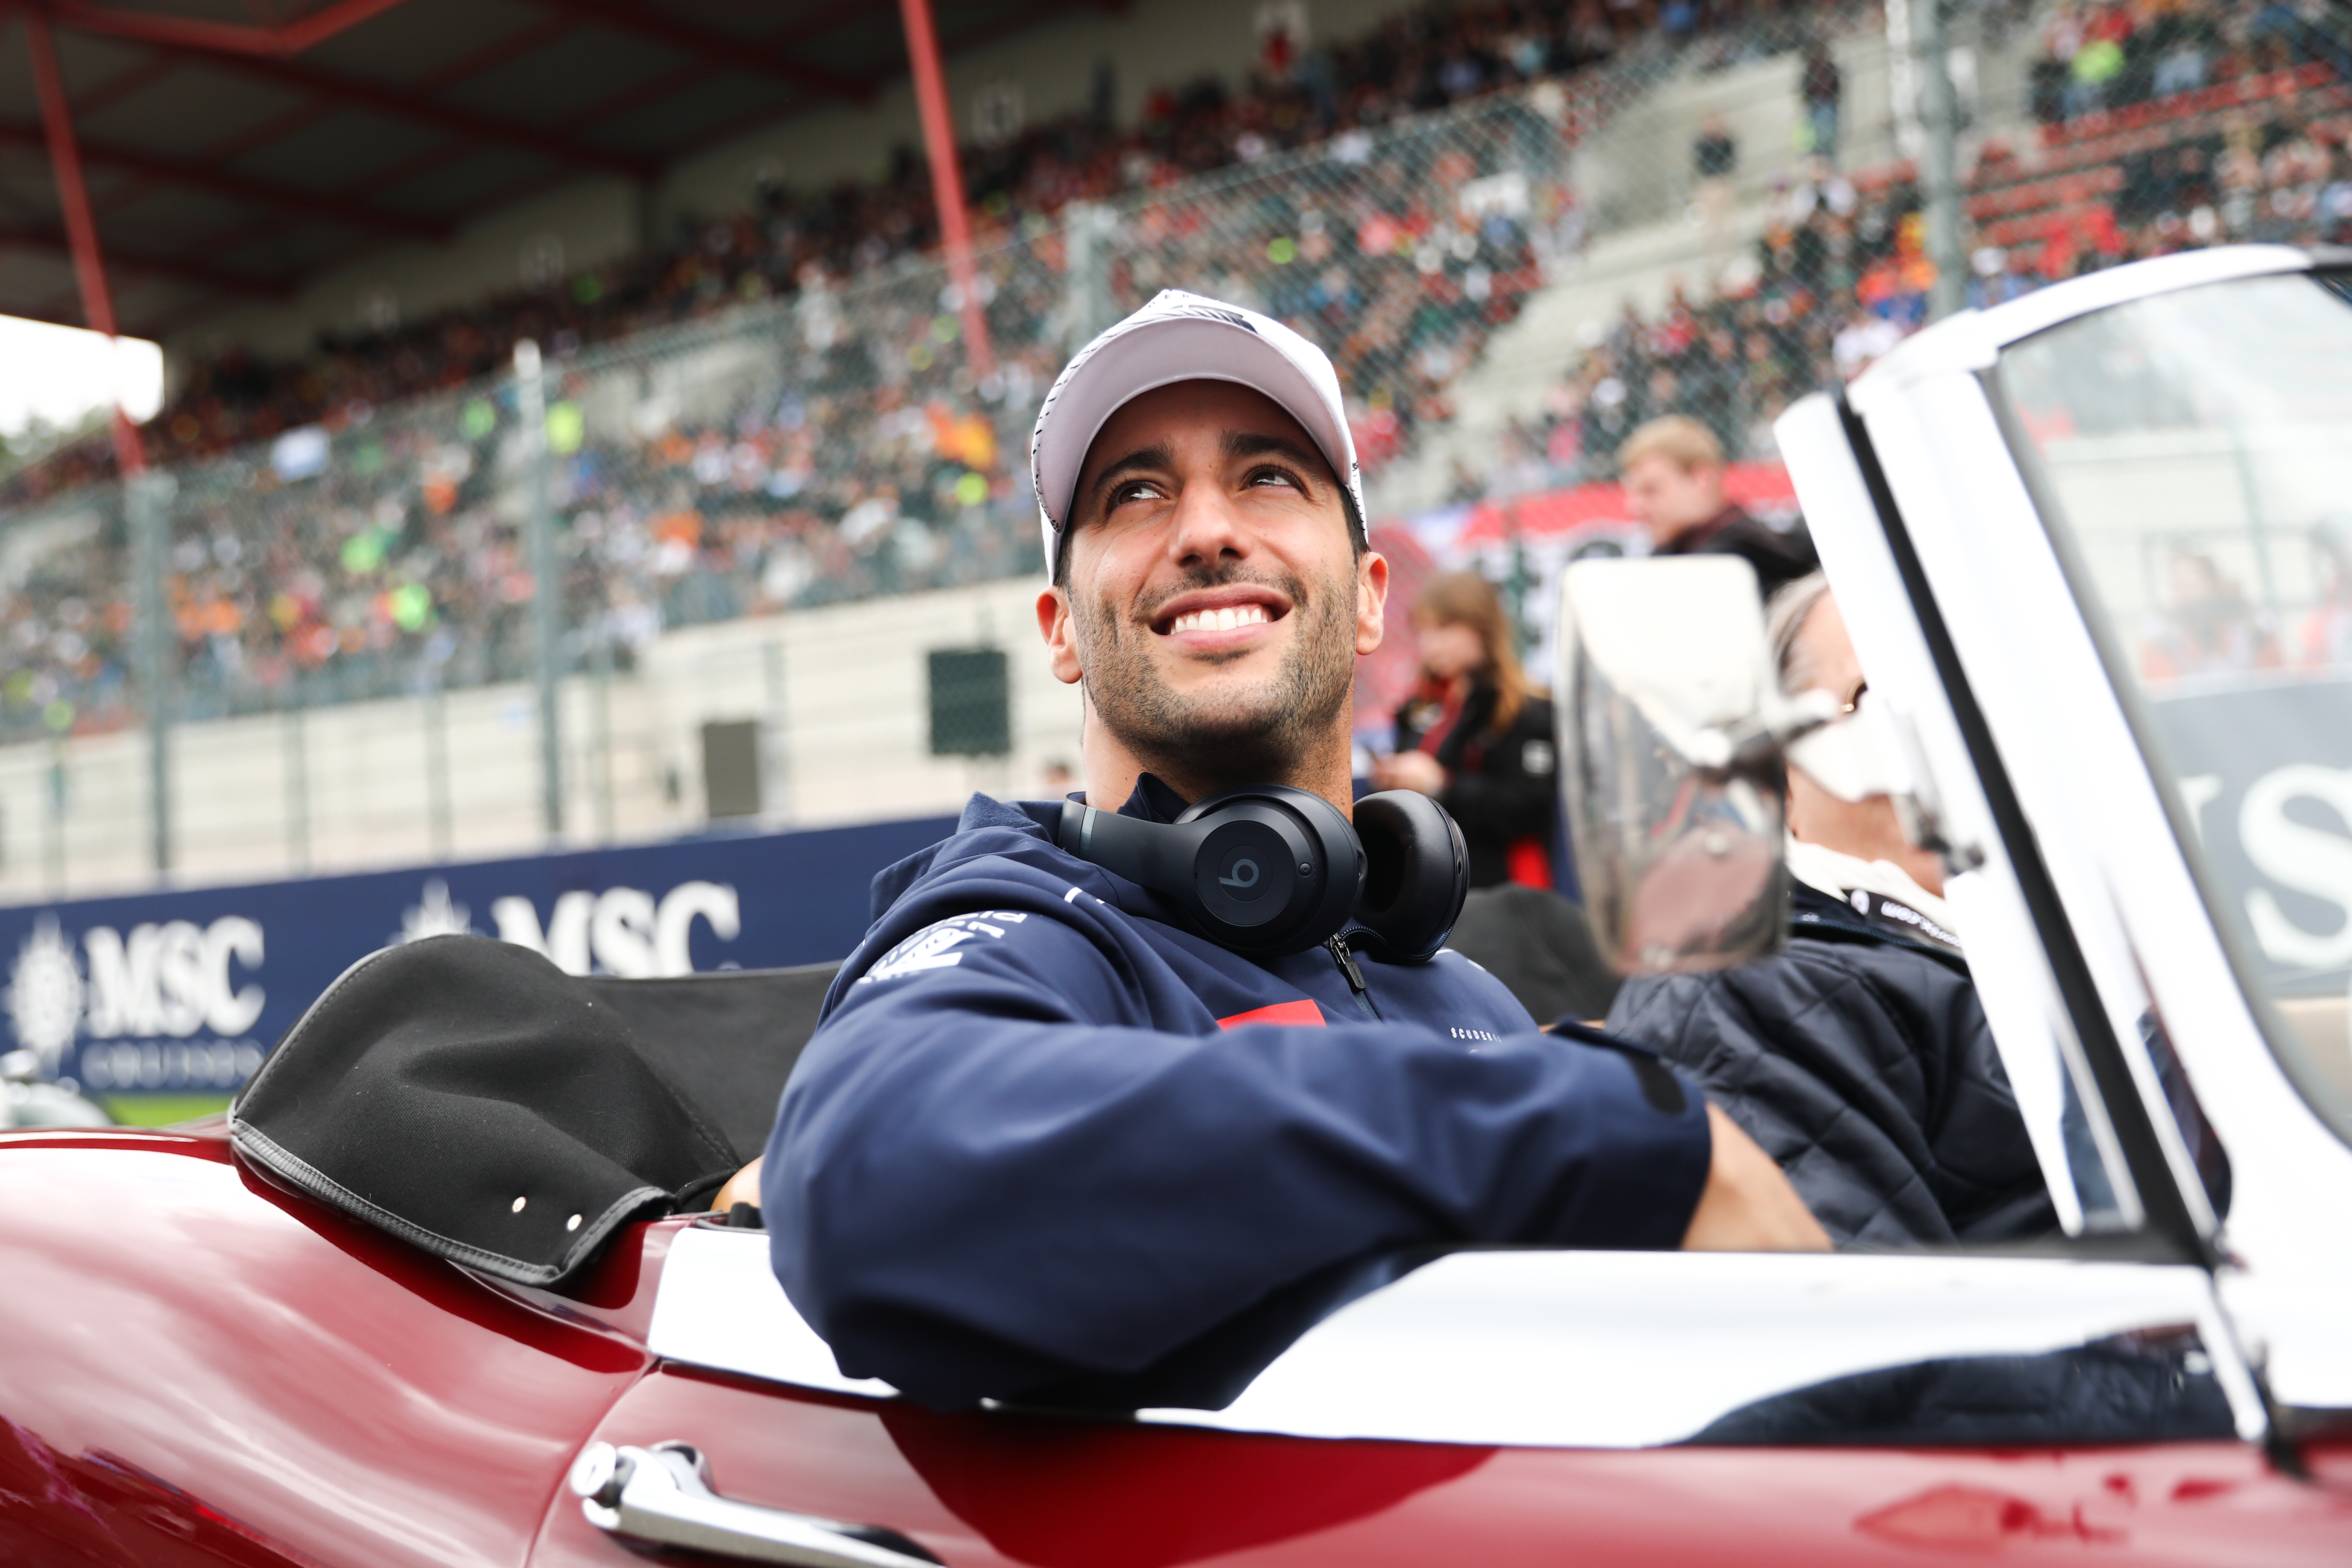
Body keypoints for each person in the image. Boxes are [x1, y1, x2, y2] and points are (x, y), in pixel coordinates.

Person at [735, 290, 1826, 1412]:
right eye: (1137, 493)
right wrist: (1588, 1125)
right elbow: (873, 1169)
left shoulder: (1467, 997)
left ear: (1367, 599)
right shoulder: (1027, 926)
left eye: (1267, 477)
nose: (1206, 530)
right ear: (1061, 629)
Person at [1605, 573, 2056, 1247]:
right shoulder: (1740, 992)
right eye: (1879, 702)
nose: (1943, 742)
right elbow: (1869, 1326)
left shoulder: (2069, 943)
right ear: (1775, 767)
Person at [1373, 572, 1556, 890]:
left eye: (1443, 630)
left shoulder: (1525, 708)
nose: (1430, 645)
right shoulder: (1421, 706)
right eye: (1423, 632)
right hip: (1431, 876)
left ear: (1482, 630)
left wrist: (1440, 784)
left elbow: (1529, 808)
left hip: (1501, 884)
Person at [1619, 414, 1819, 600]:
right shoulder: (1686, 555)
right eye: (1633, 494)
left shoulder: (1730, 559)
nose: (1635, 508)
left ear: (1701, 480)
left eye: (1651, 490)